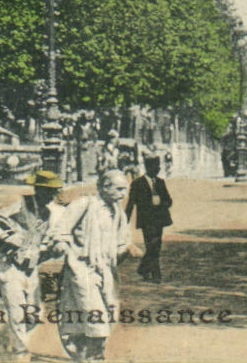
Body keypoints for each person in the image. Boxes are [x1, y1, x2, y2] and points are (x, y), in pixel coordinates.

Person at [53, 170, 136, 362]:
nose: (123, 194)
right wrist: (62, 244)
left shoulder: (118, 213)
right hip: (81, 268)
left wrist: (128, 249)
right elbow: (62, 231)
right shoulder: (84, 204)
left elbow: (122, 242)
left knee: (110, 312)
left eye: (125, 190)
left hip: (106, 271)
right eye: (119, 189)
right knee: (94, 315)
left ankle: (87, 351)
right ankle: (94, 356)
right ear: (104, 187)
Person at [0, 168, 62, 362]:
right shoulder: (20, 204)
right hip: (9, 263)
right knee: (17, 311)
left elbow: (43, 238)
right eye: (48, 191)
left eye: (54, 192)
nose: (52, 196)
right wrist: (8, 238)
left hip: (30, 266)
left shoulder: (47, 213)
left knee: (35, 314)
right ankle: (20, 354)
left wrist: (49, 247)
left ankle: (8, 335)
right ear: (38, 190)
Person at [126, 155, 173, 283]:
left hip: (159, 220)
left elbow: (169, 201)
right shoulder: (137, 183)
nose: (157, 169)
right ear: (147, 167)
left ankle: (144, 269)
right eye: (155, 166)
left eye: (159, 166)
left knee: (156, 246)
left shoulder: (160, 182)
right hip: (146, 221)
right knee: (152, 245)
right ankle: (156, 275)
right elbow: (131, 203)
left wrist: (161, 203)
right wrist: (124, 221)